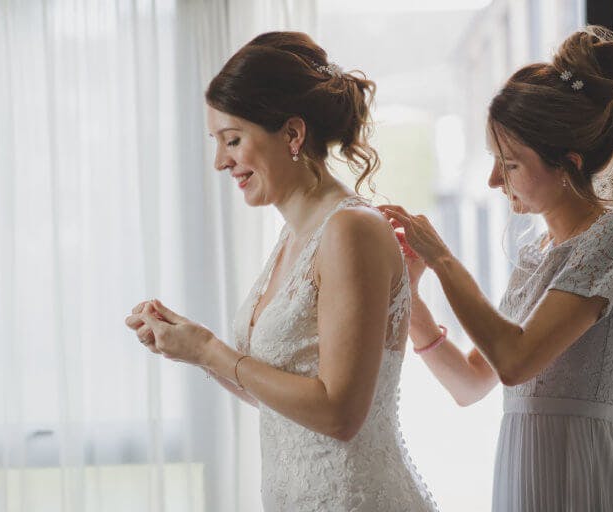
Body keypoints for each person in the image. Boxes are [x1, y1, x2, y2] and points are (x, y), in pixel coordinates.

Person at [125, 32, 437, 512]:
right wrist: (189, 347)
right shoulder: (295, 235)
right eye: (216, 142)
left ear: (292, 134)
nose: (219, 161)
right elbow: (285, 408)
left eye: (232, 139)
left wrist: (210, 348)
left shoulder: (350, 230)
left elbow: (339, 414)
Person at [380, 26, 613, 511]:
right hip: (521, 470)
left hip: (578, 469)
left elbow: (514, 361)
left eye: (511, 163)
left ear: (567, 163)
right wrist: (412, 295)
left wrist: (442, 259)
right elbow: (469, 384)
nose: (493, 180)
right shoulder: (535, 253)